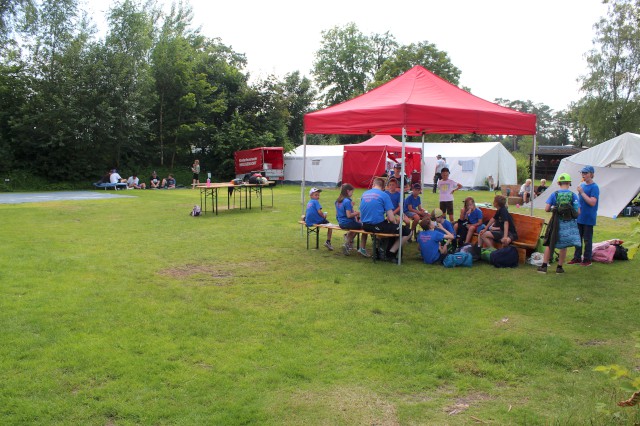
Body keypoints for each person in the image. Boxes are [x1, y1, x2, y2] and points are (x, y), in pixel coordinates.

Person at [537, 173, 581, 274]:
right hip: (568, 224)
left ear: (558, 183)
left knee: (549, 243)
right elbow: (578, 212)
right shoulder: (573, 195)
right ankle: (559, 268)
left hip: (555, 223)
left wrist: (555, 209)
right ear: (569, 183)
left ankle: (544, 266)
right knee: (564, 245)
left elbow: (547, 209)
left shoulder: (554, 194)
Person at [360, 177, 412, 263]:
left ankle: (379, 250)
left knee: (391, 229)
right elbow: (391, 218)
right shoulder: (384, 195)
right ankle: (391, 253)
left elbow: (361, 213)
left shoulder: (364, 194)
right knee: (408, 231)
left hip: (365, 225)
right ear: (384, 187)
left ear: (373, 185)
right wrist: (395, 225)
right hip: (376, 225)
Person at [568, 165, 599, 267]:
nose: (583, 175)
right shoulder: (582, 185)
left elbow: (592, 202)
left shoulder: (594, 187)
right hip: (579, 217)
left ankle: (587, 260)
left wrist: (582, 192)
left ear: (591, 174)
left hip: (589, 217)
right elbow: (579, 202)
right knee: (577, 239)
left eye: (585, 173)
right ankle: (577, 258)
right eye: (582, 173)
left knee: (587, 240)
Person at [335, 183, 369, 257]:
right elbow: (349, 215)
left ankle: (347, 241)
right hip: (348, 223)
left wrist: (351, 207)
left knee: (356, 227)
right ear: (347, 191)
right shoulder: (347, 201)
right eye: (352, 192)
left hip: (341, 223)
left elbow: (337, 214)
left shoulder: (338, 200)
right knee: (365, 227)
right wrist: (357, 213)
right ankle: (356, 246)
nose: (352, 193)